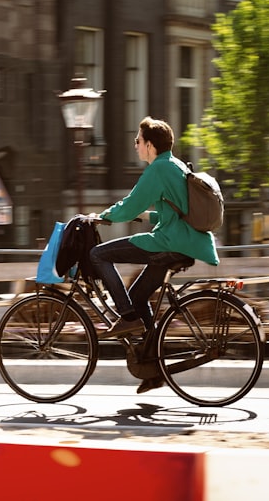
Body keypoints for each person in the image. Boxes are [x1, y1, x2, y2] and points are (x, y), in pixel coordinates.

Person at [90, 117, 219, 389]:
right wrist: (142, 216)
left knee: (98, 254)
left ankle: (126, 317)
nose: (135, 145)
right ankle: (154, 368)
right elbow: (168, 209)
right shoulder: (175, 165)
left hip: (169, 241)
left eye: (137, 141)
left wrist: (102, 216)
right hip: (183, 241)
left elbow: (128, 205)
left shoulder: (158, 169)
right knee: (138, 295)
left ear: (149, 145)